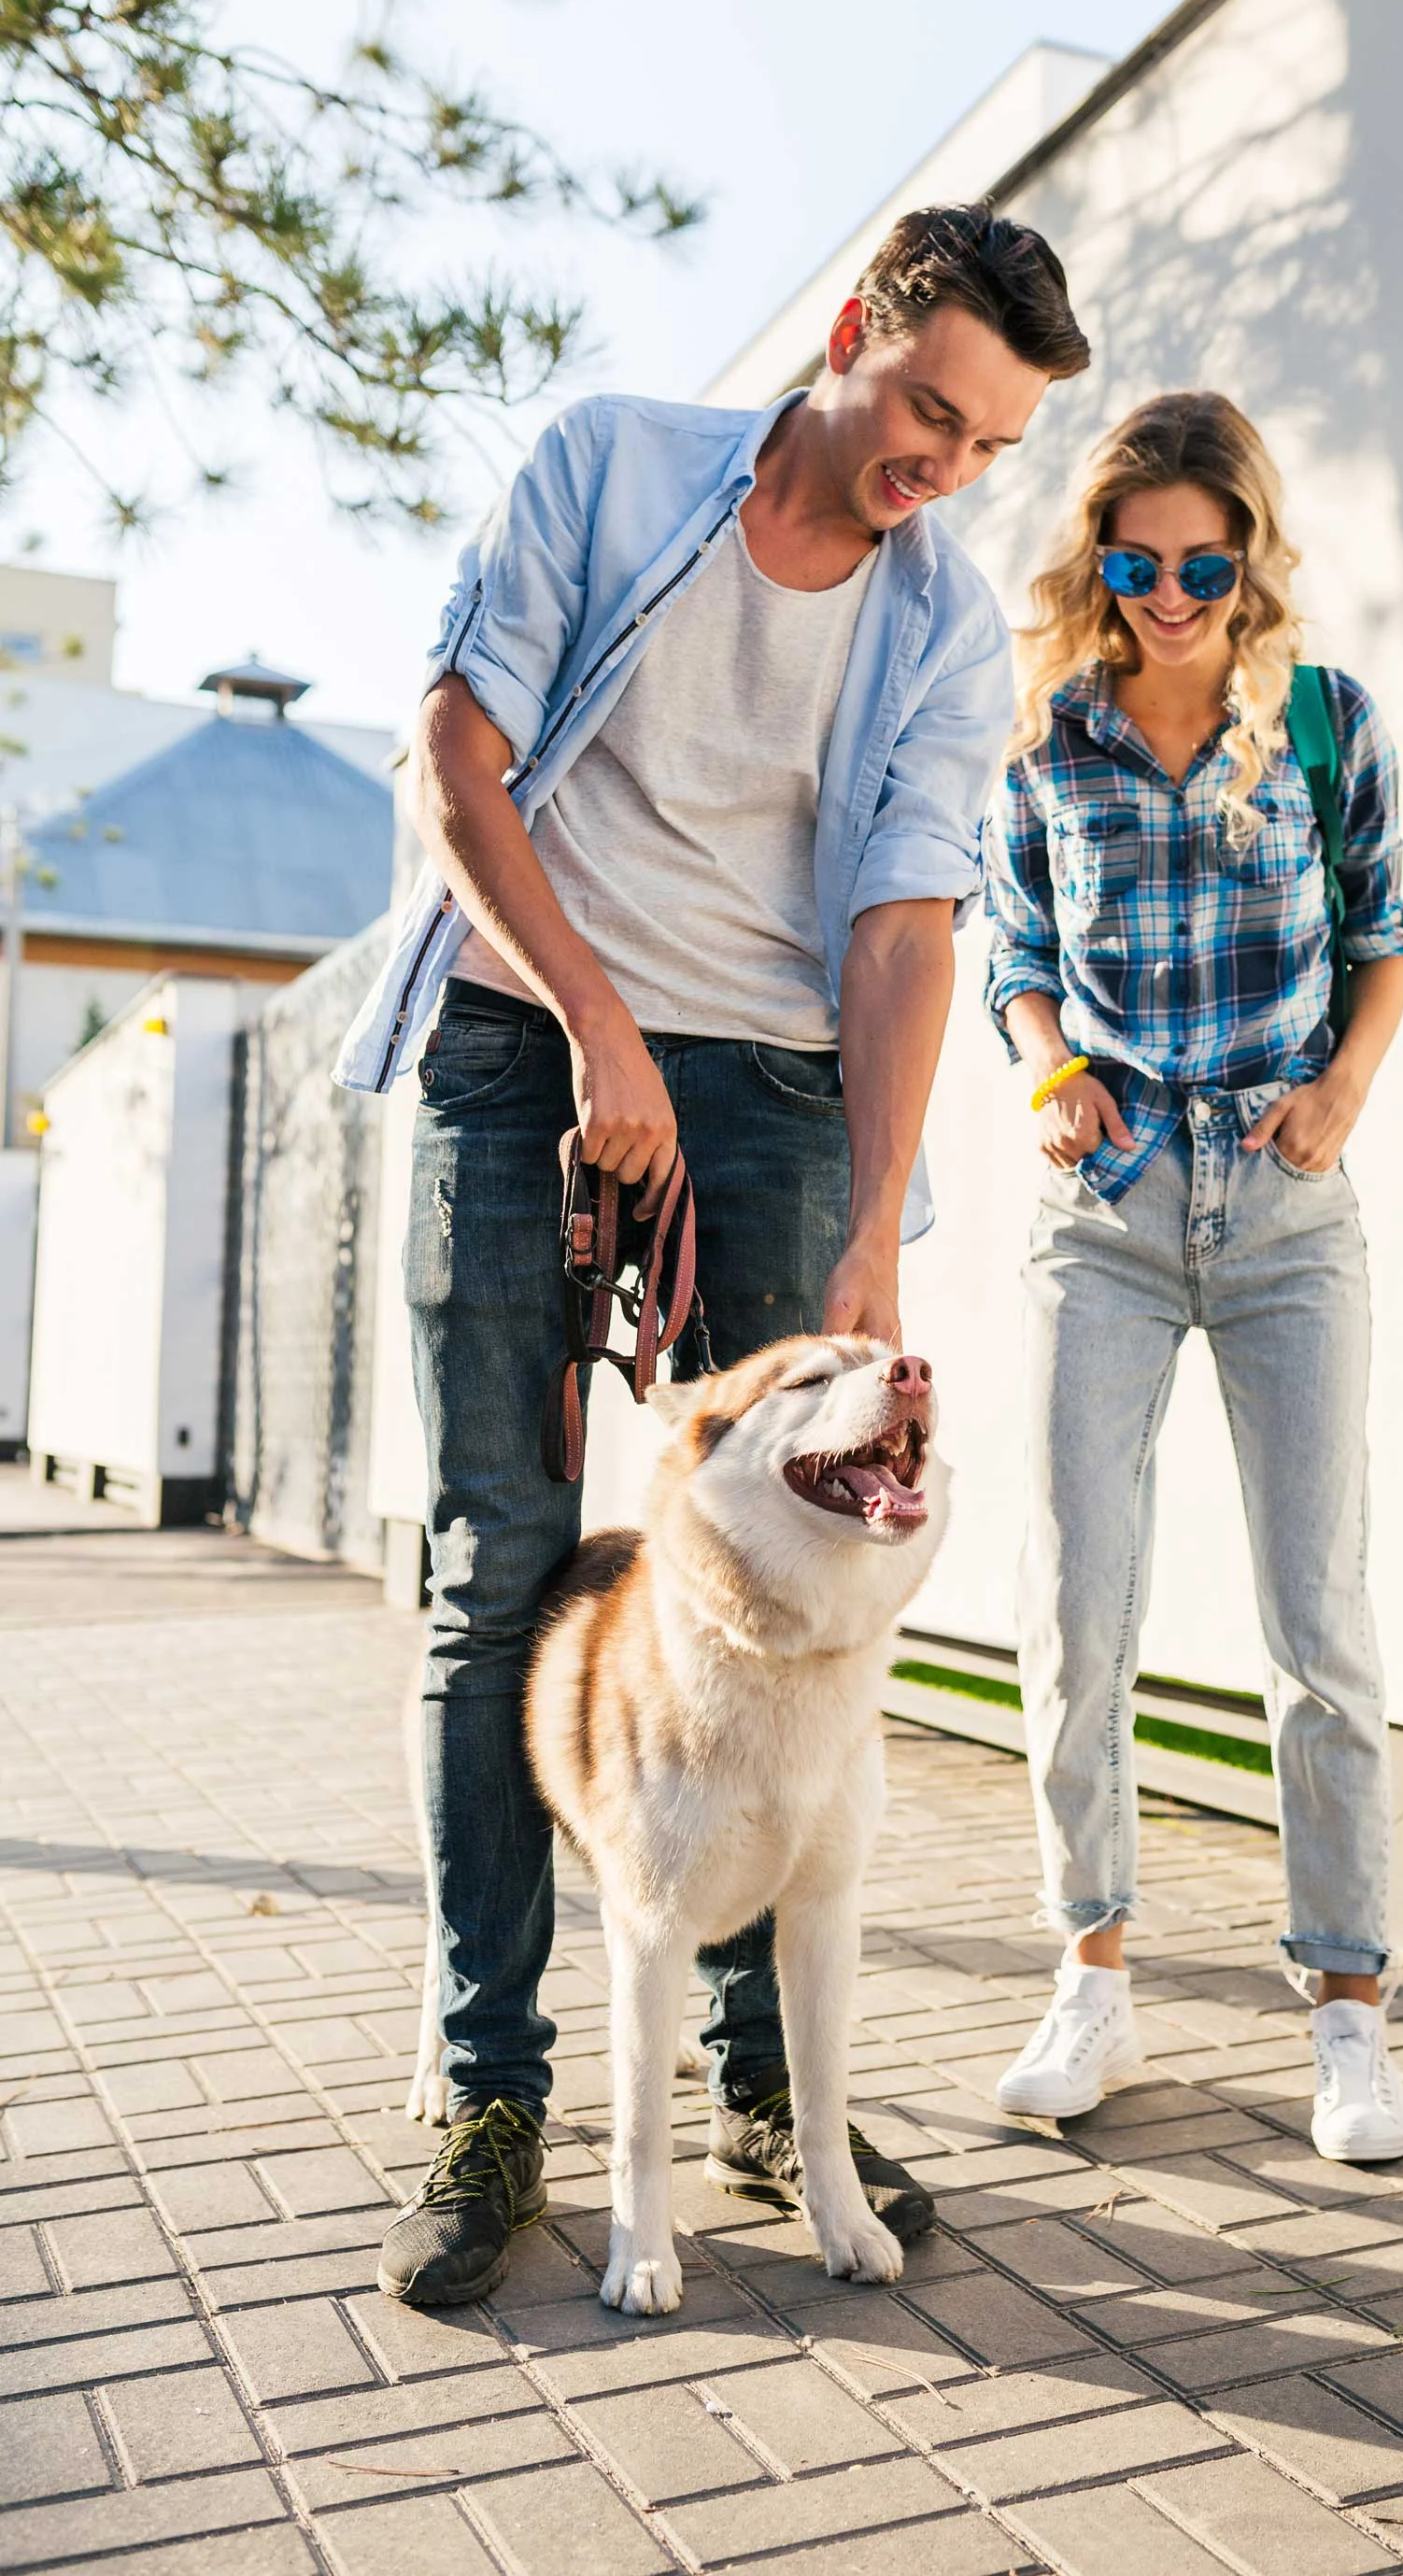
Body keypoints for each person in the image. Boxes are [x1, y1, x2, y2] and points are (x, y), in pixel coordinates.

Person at [334, 205, 1091, 2307]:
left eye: (985, 446)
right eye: (926, 409)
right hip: (519, 1029)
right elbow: (457, 762)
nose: (935, 466)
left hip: (764, 1085)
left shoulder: (940, 617)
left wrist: (868, 1228)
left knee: (790, 1581)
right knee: (500, 1556)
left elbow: (905, 918)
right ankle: (491, 2093)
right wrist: (591, 1027)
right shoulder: (609, 465)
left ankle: (772, 2098)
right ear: (857, 327)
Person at [983, 389, 1403, 2161]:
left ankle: (1349, 2017)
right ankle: (1092, 1977)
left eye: (1204, 560)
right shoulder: (1048, 738)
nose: (1170, 591)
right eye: (1136, 558)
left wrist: (1336, 1096)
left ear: (1251, 556)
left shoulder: (1323, 721)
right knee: (1079, 1608)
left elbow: (1385, 933)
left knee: (1318, 1625)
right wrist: (1045, 1071)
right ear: (1101, 559)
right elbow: (1014, 944)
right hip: (1107, 1212)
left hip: (1288, 1213)